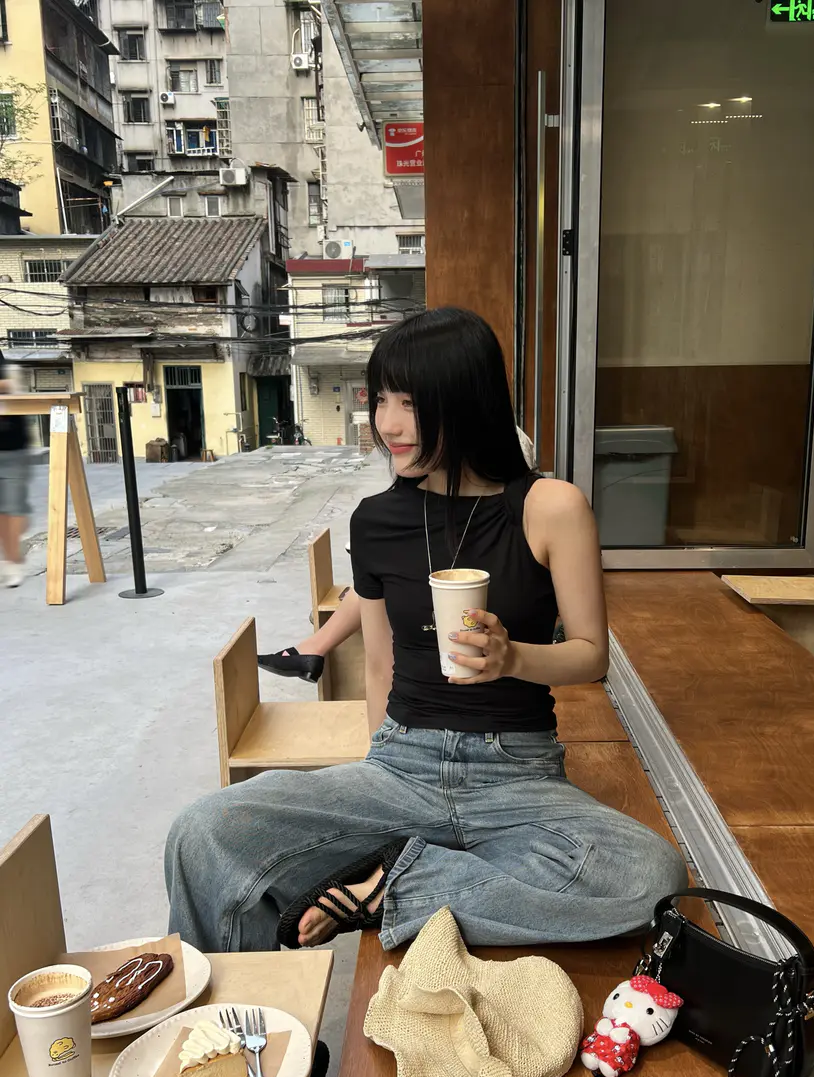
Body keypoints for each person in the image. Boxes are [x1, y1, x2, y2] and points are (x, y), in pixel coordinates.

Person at [166, 306, 686, 955]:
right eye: (381, 399)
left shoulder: (551, 507)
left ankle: (395, 888)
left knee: (648, 876)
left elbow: (590, 656)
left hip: (516, 773)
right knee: (202, 834)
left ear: (466, 400)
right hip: (401, 763)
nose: (388, 424)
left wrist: (512, 658)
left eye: (410, 403)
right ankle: (236, 1017)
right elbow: (379, 664)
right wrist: (374, 782)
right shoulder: (375, 521)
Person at [256, 426, 538, 683]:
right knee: (378, 578)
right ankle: (314, 647)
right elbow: (379, 670)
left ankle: (313, 648)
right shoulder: (391, 509)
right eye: (382, 401)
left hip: (480, 580)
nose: (390, 426)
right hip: (414, 693)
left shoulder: (521, 501)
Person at [0, 352, 31, 589]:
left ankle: (13, 561)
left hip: (12, 447)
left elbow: (11, 383)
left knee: (14, 509)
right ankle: (10, 558)